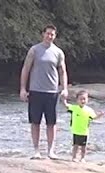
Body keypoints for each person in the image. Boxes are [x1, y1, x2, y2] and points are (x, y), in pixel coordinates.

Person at [19, 24, 68, 159]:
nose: (49, 36)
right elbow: (26, 69)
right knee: (35, 122)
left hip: (52, 91)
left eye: (52, 34)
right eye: (47, 33)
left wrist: (64, 89)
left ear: (55, 36)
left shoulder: (58, 52)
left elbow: (63, 71)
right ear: (43, 34)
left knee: (51, 123)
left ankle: (51, 151)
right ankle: (36, 150)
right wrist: (23, 89)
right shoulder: (34, 50)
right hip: (35, 90)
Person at [65, 89, 105, 162]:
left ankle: (82, 158)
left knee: (84, 147)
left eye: (84, 99)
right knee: (75, 145)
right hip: (76, 130)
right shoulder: (74, 108)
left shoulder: (89, 110)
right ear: (77, 100)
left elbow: (94, 117)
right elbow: (66, 105)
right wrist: (63, 98)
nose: (82, 101)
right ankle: (74, 157)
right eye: (80, 99)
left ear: (87, 100)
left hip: (84, 131)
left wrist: (100, 115)